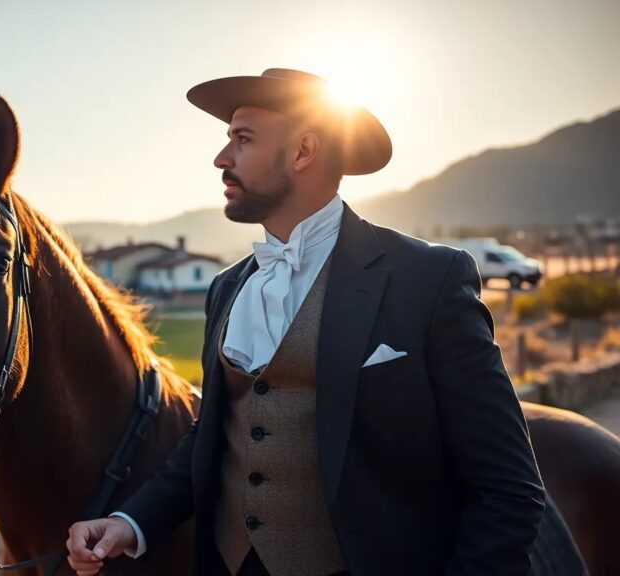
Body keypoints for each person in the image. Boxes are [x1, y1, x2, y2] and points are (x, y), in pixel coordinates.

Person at [65, 69, 545, 575]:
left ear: (302, 151)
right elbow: (212, 439)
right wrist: (130, 522)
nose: (221, 159)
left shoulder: (428, 281)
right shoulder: (226, 289)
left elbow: (508, 489)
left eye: (242, 139)